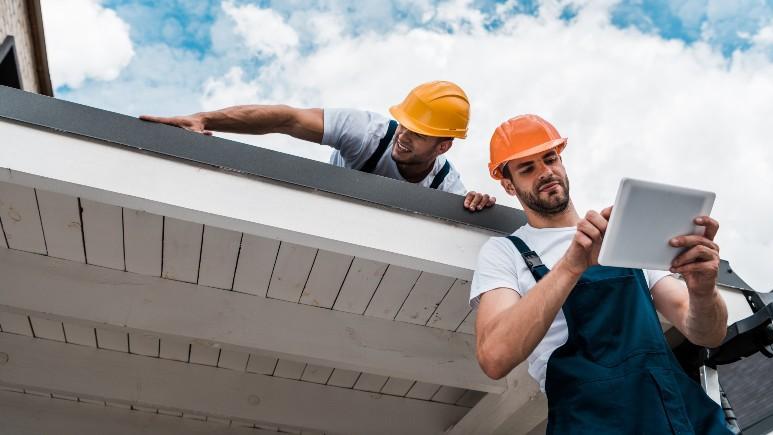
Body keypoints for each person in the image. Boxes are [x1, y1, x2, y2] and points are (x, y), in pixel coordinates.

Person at [471, 114, 731, 434]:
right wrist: (571, 266)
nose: (545, 172)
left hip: (677, 415)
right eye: (527, 168)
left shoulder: (621, 232)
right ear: (508, 184)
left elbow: (707, 333)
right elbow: (494, 357)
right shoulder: (506, 252)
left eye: (550, 159)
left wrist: (704, 291)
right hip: (591, 421)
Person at [140, 81, 495, 211]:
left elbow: (468, 224)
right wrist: (204, 120)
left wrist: (480, 204)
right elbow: (287, 118)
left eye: (419, 133)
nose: (403, 135)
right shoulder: (368, 132)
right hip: (329, 212)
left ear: (443, 147)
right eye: (405, 123)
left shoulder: (445, 186)